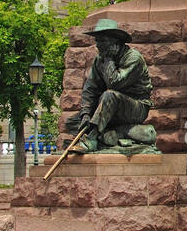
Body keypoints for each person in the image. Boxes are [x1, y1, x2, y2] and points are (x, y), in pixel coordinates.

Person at [67, 19, 158, 154]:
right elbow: (90, 89)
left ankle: (92, 139)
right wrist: (85, 113)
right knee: (73, 122)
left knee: (109, 95)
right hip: (109, 107)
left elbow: (115, 83)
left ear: (114, 41)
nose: (97, 45)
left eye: (102, 41)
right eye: (97, 41)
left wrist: (109, 60)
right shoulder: (100, 59)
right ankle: (109, 135)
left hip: (136, 108)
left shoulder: (133, 58)